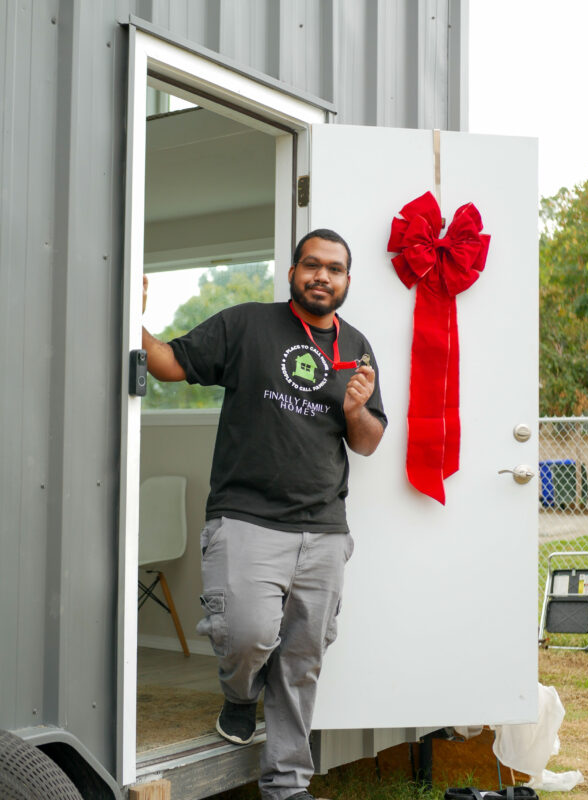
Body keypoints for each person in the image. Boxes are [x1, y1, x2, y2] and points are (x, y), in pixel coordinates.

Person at [142, 229, 387, 800]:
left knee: (303, 657)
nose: (322, 276)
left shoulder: (357, 345)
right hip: (246, 516)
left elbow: (369, 441)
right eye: (311, 265)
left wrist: (355, 409)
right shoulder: (247, 324)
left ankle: (287, 784)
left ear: (348, 280)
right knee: (247, 634)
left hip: (324, 528)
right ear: (293, 272)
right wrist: (134, 316)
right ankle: (240, 694)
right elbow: (169, 365)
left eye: (334, 268)